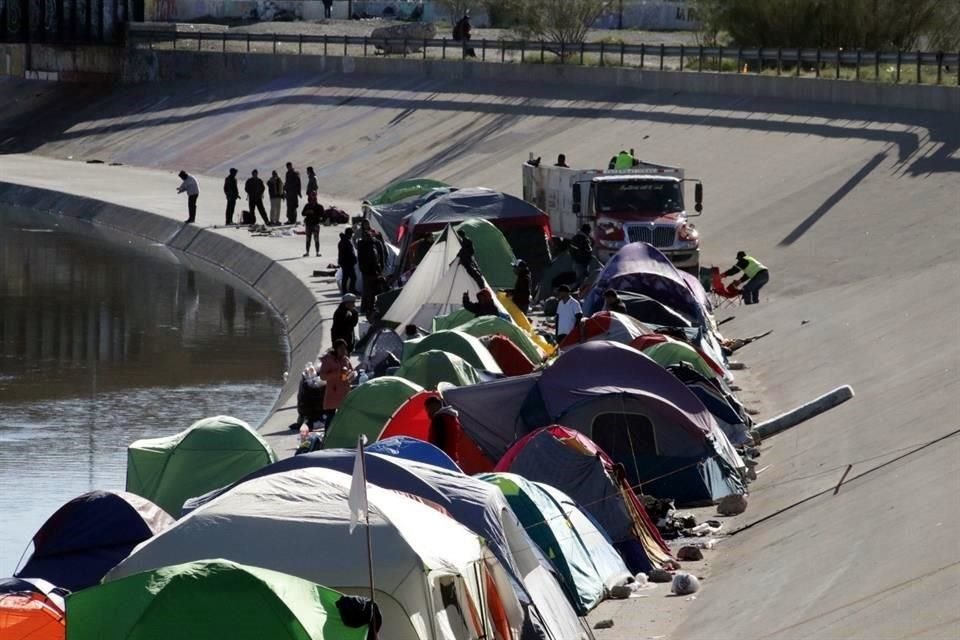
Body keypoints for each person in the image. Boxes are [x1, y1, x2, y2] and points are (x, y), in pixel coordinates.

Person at [319, 339, 354, 424]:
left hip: (344, 392)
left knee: (346, 417)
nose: (343, 351)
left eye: (344, 348)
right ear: (336, 349)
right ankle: (328, 435)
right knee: (330, 418)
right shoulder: (328, 360)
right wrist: (337, 373)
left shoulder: (346, 360)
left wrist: (350, 375)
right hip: (333, 393)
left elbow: (349, 374)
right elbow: (322, 376)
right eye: (341, 348)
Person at [425, 396, 461, 465]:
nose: (428, 413)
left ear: (436, 405)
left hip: (443, 460)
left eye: (429, 409)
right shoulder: (451, 417)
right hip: (452, 458)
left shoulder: (439, 419)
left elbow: (439, 443)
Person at [357, 227, 384, 317]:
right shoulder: (363, 245)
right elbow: (362, 258)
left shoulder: (374, 244)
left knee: (371, 290)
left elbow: (380, 256)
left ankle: (368, 307)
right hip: (368, 271)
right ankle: (367, 307)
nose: (366, 238)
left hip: (373, 270)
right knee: (369, 290)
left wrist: (381, 267)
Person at [300, 193, 324, 257]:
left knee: (316, 239)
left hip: (315, 224)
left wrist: (315, 214)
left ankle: (317, 252)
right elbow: (302, 213)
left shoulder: (319, 206)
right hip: (308, 224)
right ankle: (307, 252)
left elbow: (322, 215)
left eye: (314, 196)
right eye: (312, 196)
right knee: (308, 239)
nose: (313, 199)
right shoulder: (307, 206)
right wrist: (308, 212)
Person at [338, 227, 358, 294]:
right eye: (351, 234)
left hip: (344, 262)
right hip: (347, 262)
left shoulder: (342, 241)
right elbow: (349, 253)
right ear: (349, 234)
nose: (352, 236)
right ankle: (350, 290)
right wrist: (354, 259)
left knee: (346, 277)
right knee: (352, 277)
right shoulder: (346, 242)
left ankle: (346, 290)